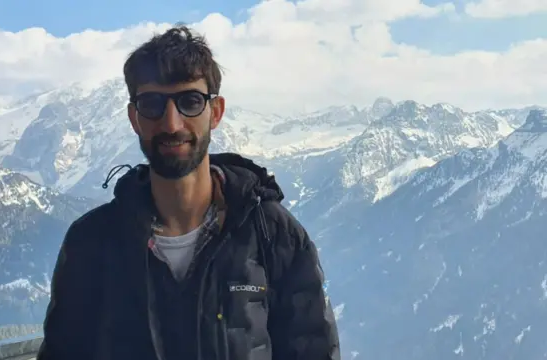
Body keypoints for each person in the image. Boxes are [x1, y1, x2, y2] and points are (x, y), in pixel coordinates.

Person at [37, 24, 340, 360]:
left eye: (190, 101)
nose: (171, 123)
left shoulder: (275, 235)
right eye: (152, 104)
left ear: (216, 112)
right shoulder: (90, 243)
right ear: (134, 117)